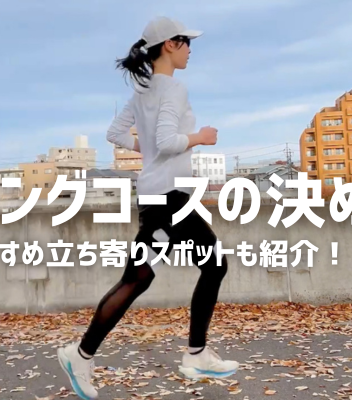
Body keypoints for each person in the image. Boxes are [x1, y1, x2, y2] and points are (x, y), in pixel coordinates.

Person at [57, 16, 239, 400]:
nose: (190, 50)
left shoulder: (143, 90)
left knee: (142, 277)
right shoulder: (173, 89)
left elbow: (115, 134)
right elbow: (169, 140)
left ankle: (86, 354)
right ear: (170, 45)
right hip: (169, 197)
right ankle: (191, 354)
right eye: (187, 42)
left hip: (157, 195)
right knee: (201, 267)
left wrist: (149, 149)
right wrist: (201, 137)